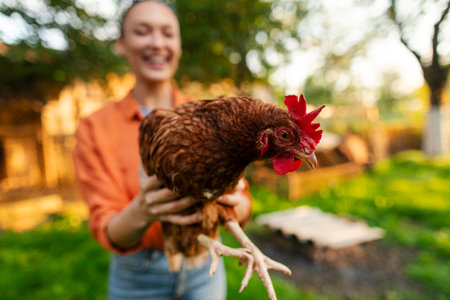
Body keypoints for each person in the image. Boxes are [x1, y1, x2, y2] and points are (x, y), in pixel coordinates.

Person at [72, 1, 253, 299]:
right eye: (143, 32)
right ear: (121, 44)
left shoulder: (213, 116)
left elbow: (244, 200)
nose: (157, 43)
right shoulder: (95, 127)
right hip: (137, 274)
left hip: (207, 262)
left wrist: (233, 200)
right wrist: (142, 211)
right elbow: (106, 227)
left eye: (168, 33)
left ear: (179, 44)